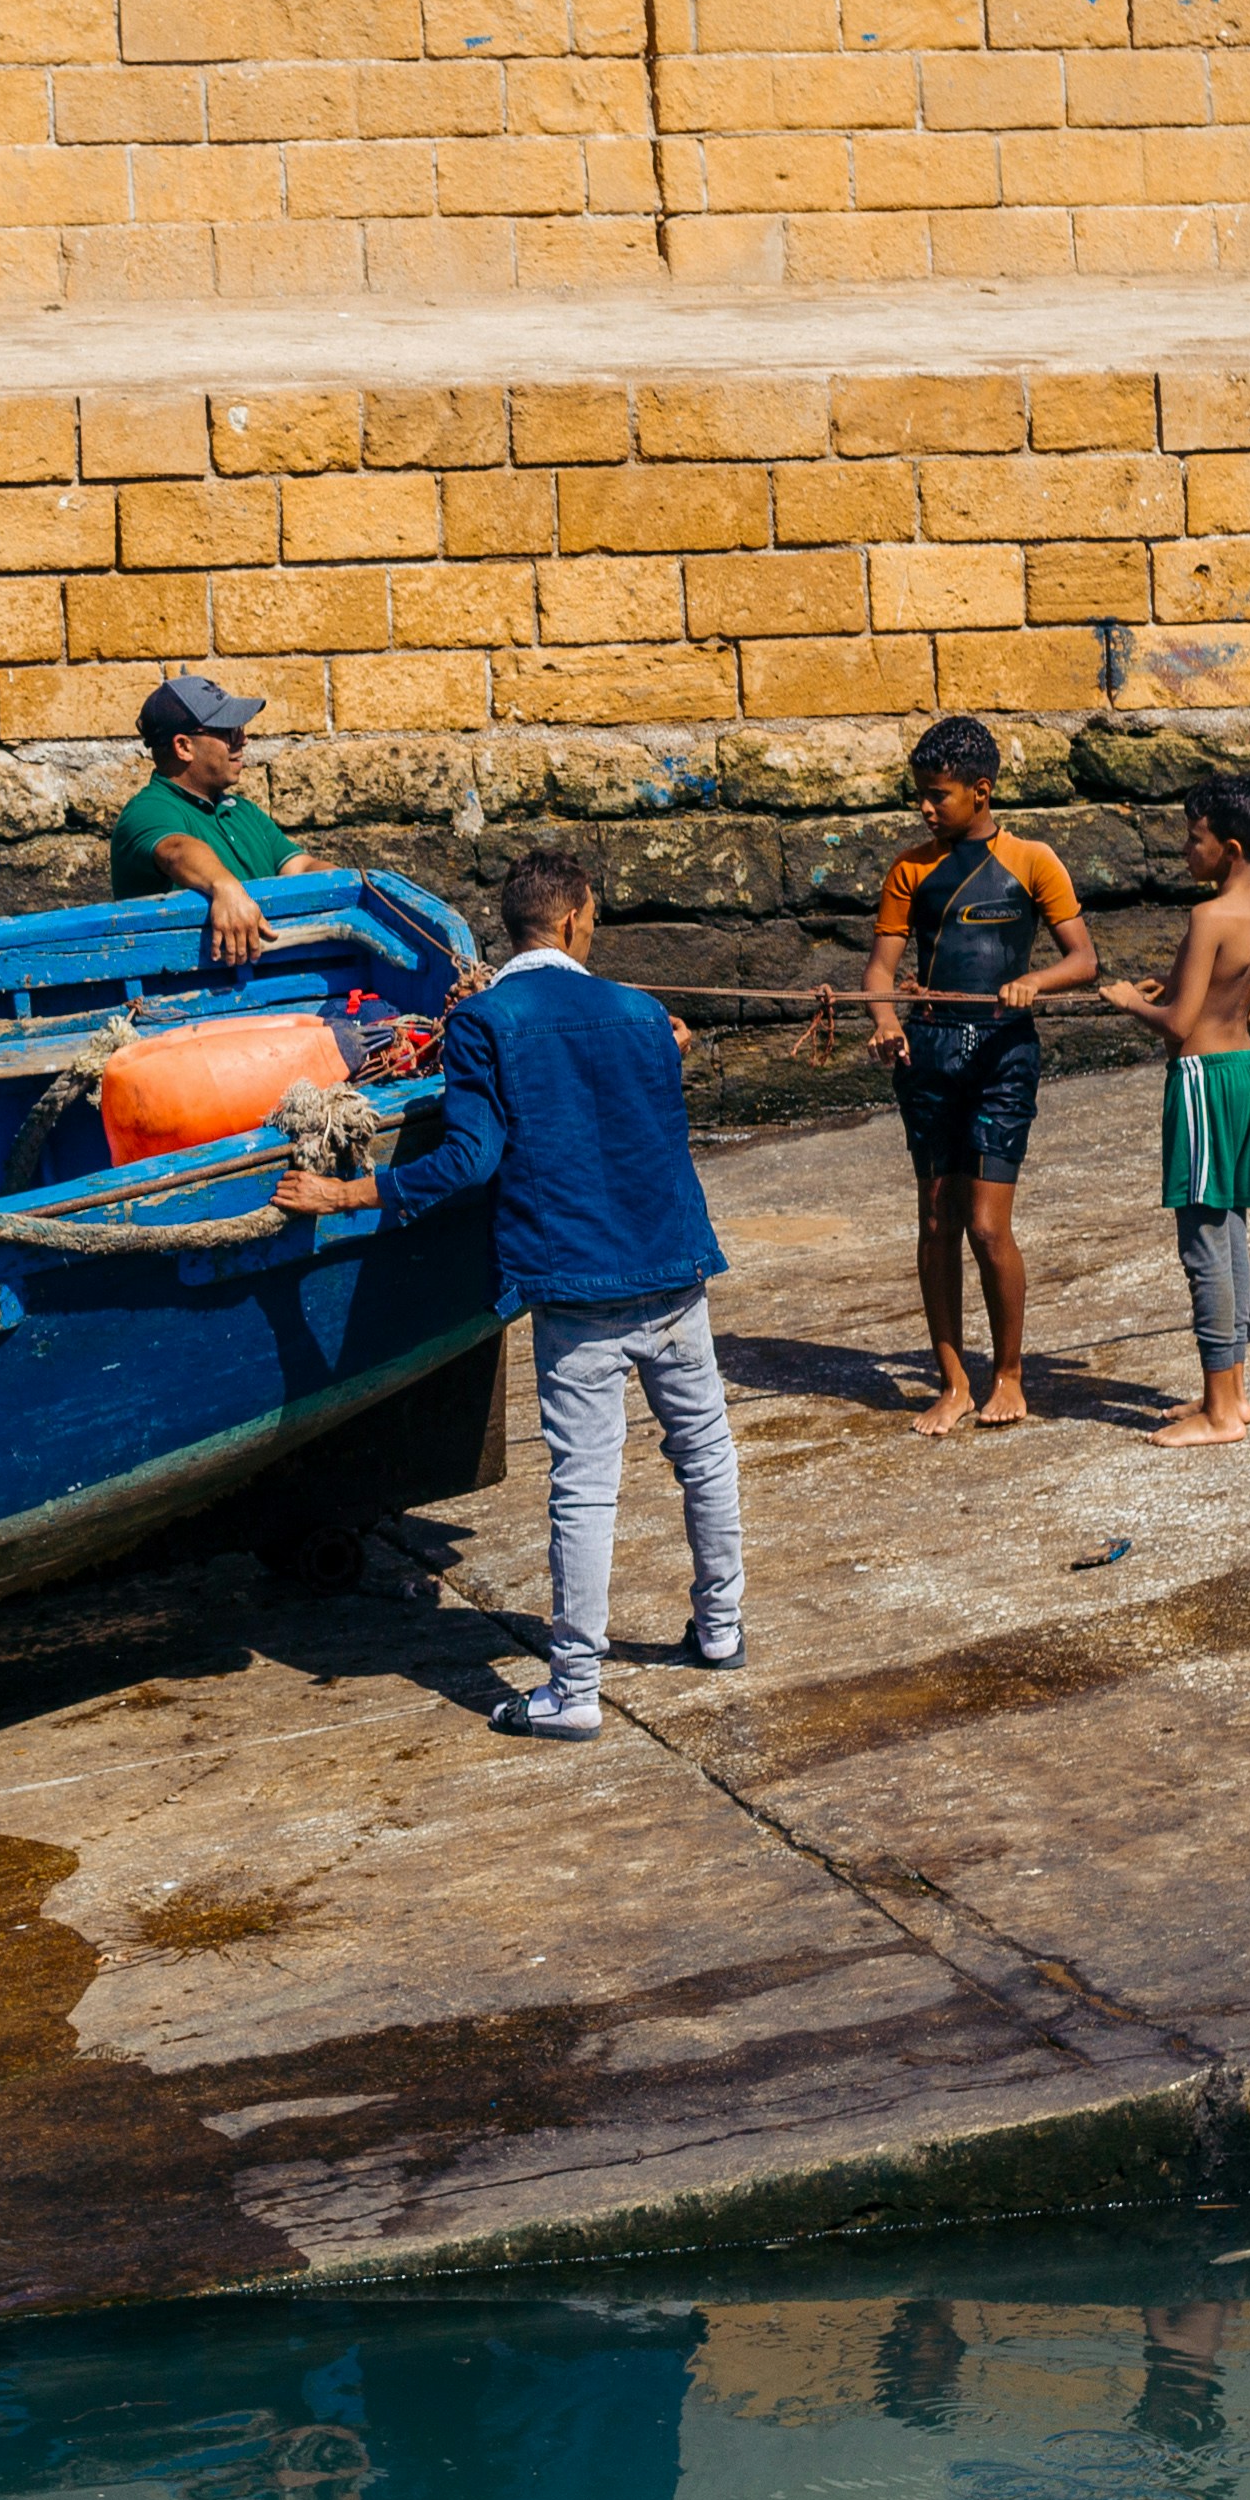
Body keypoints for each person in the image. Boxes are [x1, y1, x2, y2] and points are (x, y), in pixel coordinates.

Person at [272, 845, 741, 1739]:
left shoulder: (487, 1021)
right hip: (674, 1270)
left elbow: (469, 1160)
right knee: (705, 1455)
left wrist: (348, 1191)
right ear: (572, 921)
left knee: (586, 1486)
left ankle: (574, 1689)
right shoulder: (643, 1012)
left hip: (574, 1285)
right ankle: (720, 1629)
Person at [863, 716, 1098, 1429]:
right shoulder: (909, 869)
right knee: (936, 1219)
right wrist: (885, 1020)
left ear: (981, 791)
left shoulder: (1032, 861)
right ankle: (953, 1382)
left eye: (938, 795)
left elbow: (1083, 959)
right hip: (928, 1056)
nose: (925, 809)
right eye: (920, 796)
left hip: (1002, 1055)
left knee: (988, 1225)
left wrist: (1037, 982)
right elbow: (880, 969)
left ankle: (1009, 1374)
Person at [1096, 780, 1250, 1448]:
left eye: (1194, 838)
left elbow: (1177, 1024)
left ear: (1229, 848)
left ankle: (1221, 1413)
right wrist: (1193, 996)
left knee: (1203, 1244)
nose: (1185, 848)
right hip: (1244, 1076)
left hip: (1202, 1081)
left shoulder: (1210, 919)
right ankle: (1231, 1390)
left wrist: (1128, 1000)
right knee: (1230, 1231)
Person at [112, 671, 296, 967]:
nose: (243, 739)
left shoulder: (241, 810)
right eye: (229, 731)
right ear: (183, 746)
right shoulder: (148, 809)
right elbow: (176, 851)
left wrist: (354, 882)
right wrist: (224, 886)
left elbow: (299, 865)